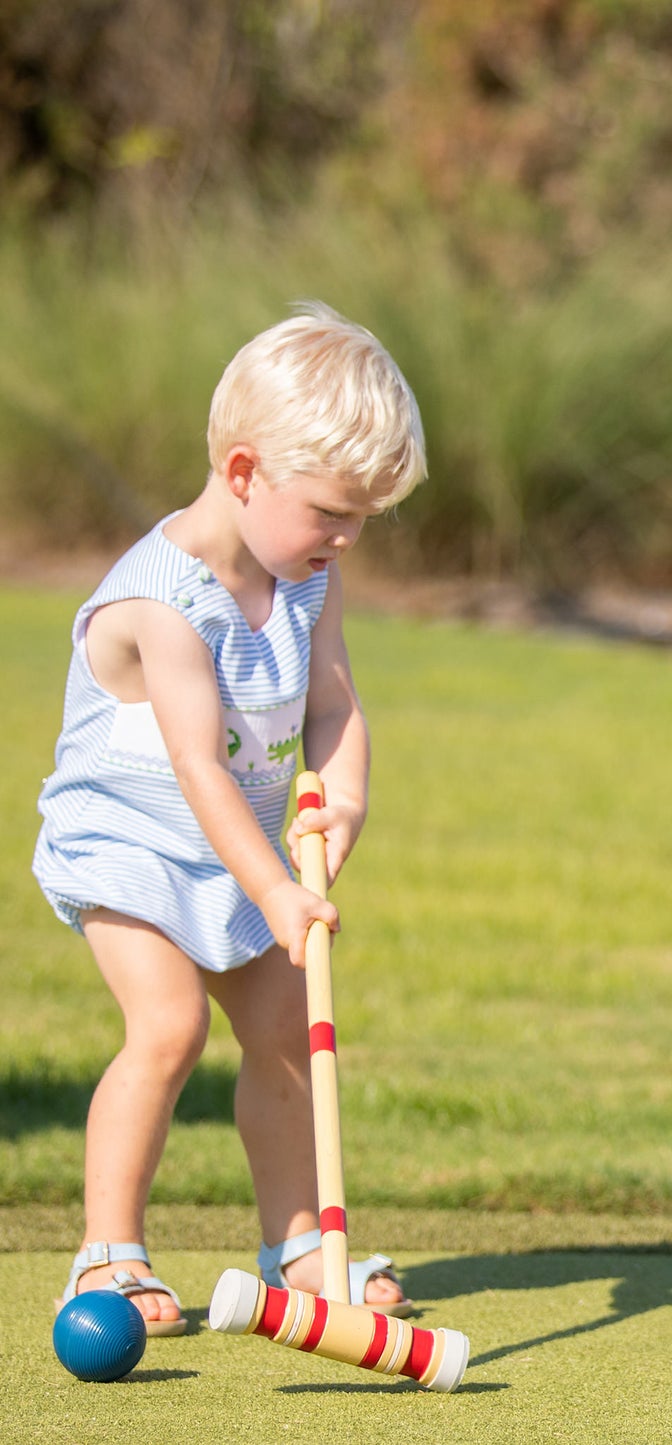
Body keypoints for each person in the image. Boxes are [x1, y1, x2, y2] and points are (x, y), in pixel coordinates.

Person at [36, 303, 426, 1333]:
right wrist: (274, 889)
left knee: (287, 1035)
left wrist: (341, 798)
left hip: (243, 848)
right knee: (166, 1028)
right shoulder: (166, 602)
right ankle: (106, 1252)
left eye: (361, 520)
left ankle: (300, 1243)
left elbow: (332, 701)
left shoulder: (308, 574)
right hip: (134, 843)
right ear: (246, 472)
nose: (346, 538)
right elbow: (195, 764)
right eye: (333, 512)